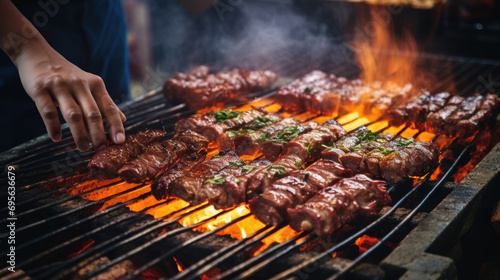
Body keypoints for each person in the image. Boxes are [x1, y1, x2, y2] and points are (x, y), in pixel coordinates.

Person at [0, 0, 130, 153]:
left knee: (113, 119)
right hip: (25, 30)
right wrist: (23, 46)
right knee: (22, 158)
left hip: (104, 19)